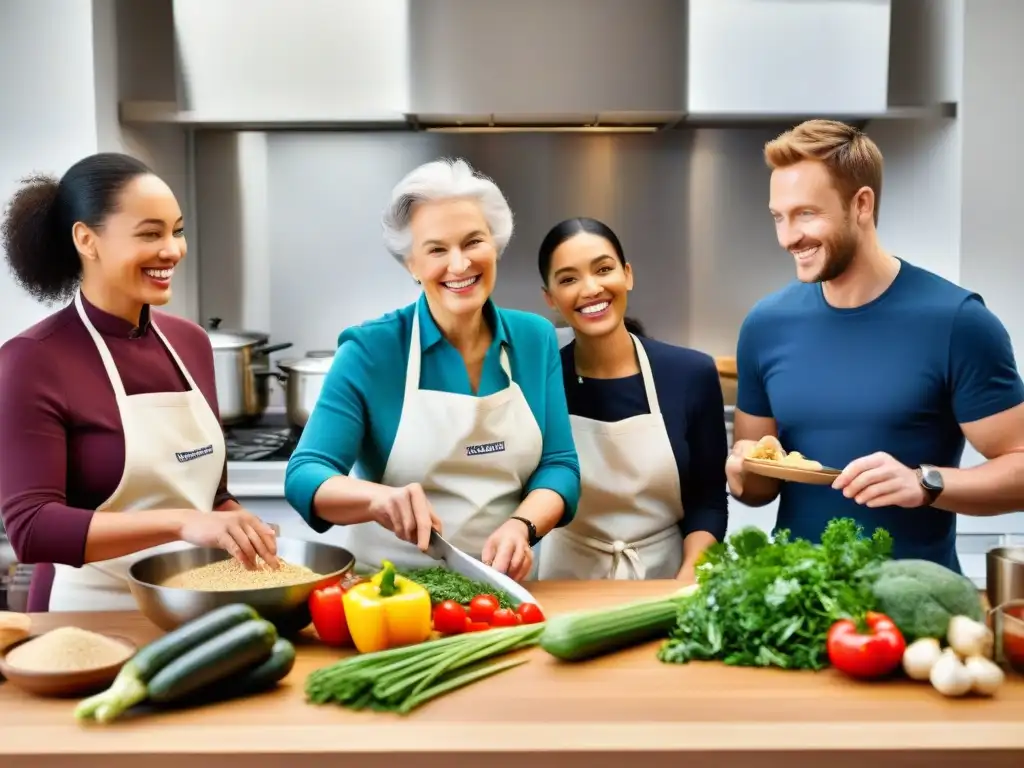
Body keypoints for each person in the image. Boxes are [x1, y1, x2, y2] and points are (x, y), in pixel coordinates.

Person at [728, 119, 1024, 572]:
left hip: (915, 605)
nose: (788, 237)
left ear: (861, 204)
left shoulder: (957, 322)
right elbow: (759, 487)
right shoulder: (765, 325)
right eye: (778, 217)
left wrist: (925, 483)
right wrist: (741, 472)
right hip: (793, 605)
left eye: (806, 213)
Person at [0, 153, 279, 612]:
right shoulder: (34, 359)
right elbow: (31, 528)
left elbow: (212, 497)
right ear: (86, 240)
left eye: (177, 230)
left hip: (195, 610)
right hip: (88, 616)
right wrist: (182, 524)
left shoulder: (189, 343)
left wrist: (240, 525)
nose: (172, 250)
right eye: (150, 234)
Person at [284, 158, 580, 582]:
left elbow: (559, 465)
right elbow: (306, 475)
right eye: (437, 249)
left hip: (503, 592)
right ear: (411, 264)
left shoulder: (535, 339)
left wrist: (523, 525)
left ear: (495, 245)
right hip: (390, 594)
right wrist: (377, 500)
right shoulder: (372, 350)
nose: (459, 265)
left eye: (473, 242)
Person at [535, 217, 728, 582]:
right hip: (564, 581)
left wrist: (689, 578)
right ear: (551, 298)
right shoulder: (540, 382)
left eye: (603, 269)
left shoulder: (691, 374)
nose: (590, 288)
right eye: (568, 279)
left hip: (664, 579)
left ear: (627, 275)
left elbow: (708, 500)